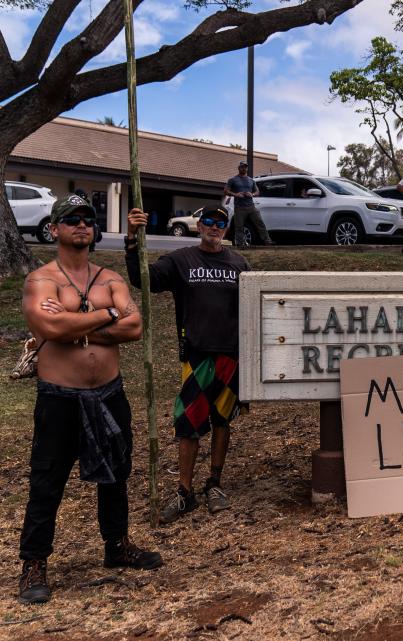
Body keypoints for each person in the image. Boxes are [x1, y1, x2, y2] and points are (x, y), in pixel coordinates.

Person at [18, 195, 162, 604]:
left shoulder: (111, 278)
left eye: (88, 219)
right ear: (54, 229)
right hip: (60, 397)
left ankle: (116, 546)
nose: (82, 225)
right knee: (48, 480)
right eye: (72, 220)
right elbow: (47, 323)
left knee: (116, 474)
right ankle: (33, 564)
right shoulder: (42, 280)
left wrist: (74, 327)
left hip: (109, 392)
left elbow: (135, 328)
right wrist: (108, 315)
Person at [125, 205, 250, 524]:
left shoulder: (239, 264)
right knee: (189, 422)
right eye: (208, 221)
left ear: (226, 227)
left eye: (220, 222)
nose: (214, 226)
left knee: (223, 419)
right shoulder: (182, 260)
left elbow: (254, 306)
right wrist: (131, 242)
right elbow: (146, 279)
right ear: (198, 226)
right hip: (197, 355)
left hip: (230, 355)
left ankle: (215, 484)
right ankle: (184, 491)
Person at [225, 161, 273, 247]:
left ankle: (267, 241)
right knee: (239, 227)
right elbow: (226, 191)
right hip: (239, 208)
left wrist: (252, 194)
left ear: (247, 168)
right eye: (242, 167)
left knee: (260, 223)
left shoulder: (251, 180)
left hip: (251, 207)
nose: (244, 168)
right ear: (239, 168)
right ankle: (240, 244)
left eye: (245, 167)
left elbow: (257, 191)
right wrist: (236, 194)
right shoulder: (233, 180)